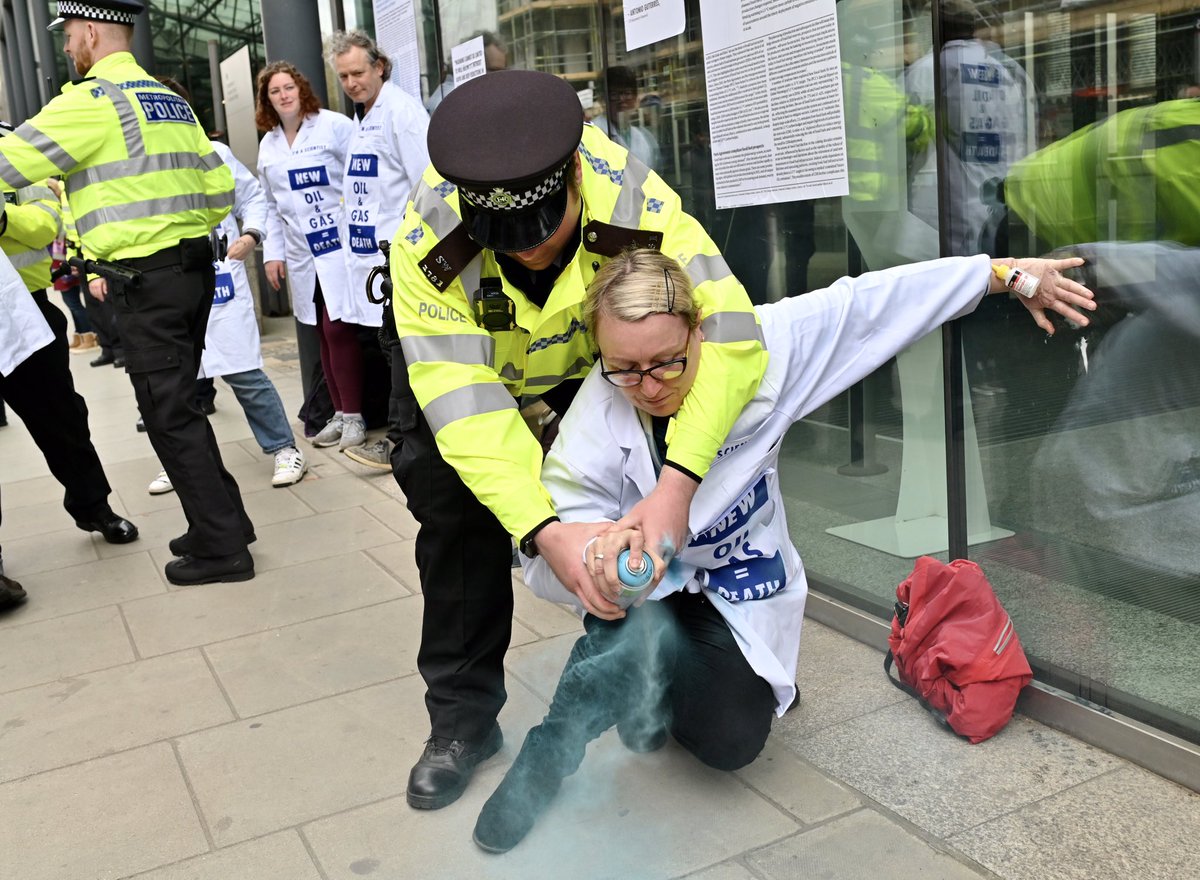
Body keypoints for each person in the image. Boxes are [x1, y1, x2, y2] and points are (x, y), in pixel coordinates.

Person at [471, 245, 1097, 852]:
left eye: (666, 362)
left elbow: (870, 305)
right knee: (628, 642)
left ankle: (651, 692)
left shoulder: (764, 348)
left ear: (699, 330)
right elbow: (555, 550)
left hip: (734, 588)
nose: (650, 387)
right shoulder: (592, 426)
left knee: (731, 744)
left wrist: (1004, 274)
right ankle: (548, 755)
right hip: (649, 598)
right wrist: (600, 565)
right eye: (625, 369)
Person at [386, 70, 769, 811]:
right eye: (507, 240)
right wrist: (542, 531)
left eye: (544, 228)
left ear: (573, 176)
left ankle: (671, 665)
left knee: (652, 458)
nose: (530, 252)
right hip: (471, 368)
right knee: (455, 516)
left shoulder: (632, 198)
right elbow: (467, 408)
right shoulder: (426, 237)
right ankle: (463, 722)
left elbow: (731, 332)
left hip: (585, 360)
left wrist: (678, 482)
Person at [0, 0, 252, 586]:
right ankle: (224, 525)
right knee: (182, 405)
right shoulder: (170, 101)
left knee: (168, 414)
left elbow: (9, 163)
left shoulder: (90, 100)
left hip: (145, 281)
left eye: (68, 34)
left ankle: (222, 548)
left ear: (90, 30)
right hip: (191, 273)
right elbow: (220, 192)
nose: (67, 46)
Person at [143, 77, 307, 497]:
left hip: (218, 279)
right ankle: (181, 463)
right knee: (175, 382)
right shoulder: (141, 161)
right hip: (167, 285)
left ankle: (284, 448)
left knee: (243, 372)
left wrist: (251, 235)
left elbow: (252, 198)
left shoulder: (214, 154)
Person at [0, 160, 138, 549]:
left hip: (24, 308)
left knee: (62, 416)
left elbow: (45, 223)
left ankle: (94, 507)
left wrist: (3, 218)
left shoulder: (12, 154)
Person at [322, 30, 430, 455]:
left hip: (399, 258)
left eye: (358, 73)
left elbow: (427, 185)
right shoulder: (362, 117)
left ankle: (403, 442)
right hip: (371, 261)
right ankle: (403, 440)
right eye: (344, 76)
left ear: (380, 66)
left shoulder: (401, 113)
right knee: (390, 352)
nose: (351, 83)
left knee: (402, 354)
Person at [256, 61, 355, 442]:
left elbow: (360, 176)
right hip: (300, 253)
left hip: (338, 246)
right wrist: (272, 254)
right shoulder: (269, 145)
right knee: (321, 334)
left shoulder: (333, 126)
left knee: (337, 327)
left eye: (288, 87)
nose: (283, 96)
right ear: (267, 100)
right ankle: (339, 413)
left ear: (301, 89)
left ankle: (355, 416)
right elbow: (270, 206)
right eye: (275, 91)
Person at [590, 66, 661, 172]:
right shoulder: (593, 133)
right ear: (603, 99)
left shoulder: (644, 138)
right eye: (614, 94)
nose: (622, 100)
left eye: (627, 93)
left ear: (636, 98)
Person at [425, 29, 508, 115]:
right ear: (473, 66)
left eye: (503, 72)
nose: (501, 79)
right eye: (494, 71)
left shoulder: (454, 96)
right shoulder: (454, 101)